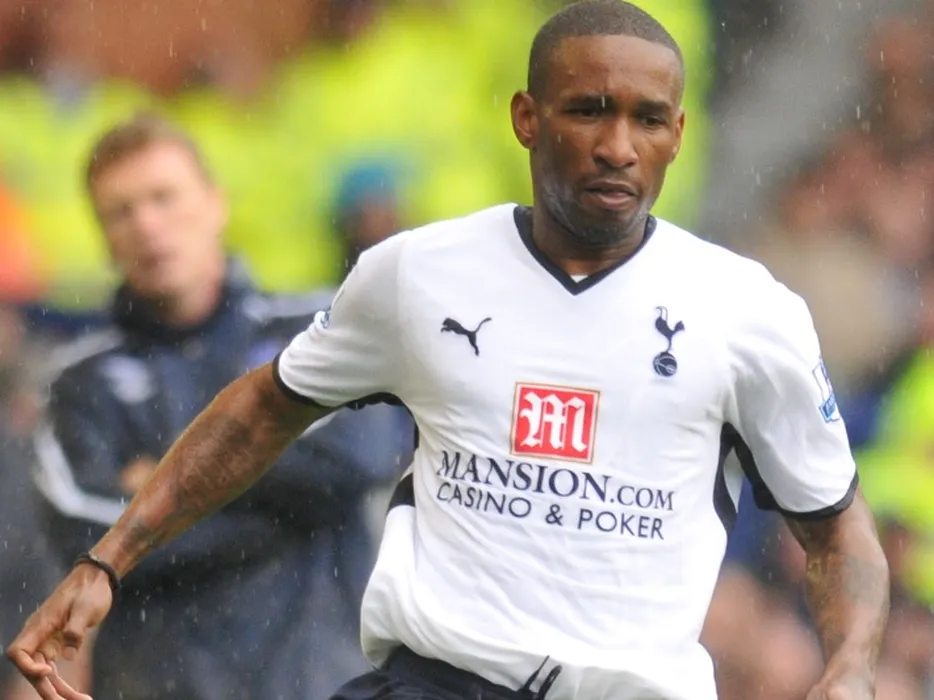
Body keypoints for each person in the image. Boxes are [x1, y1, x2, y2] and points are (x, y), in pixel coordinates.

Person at [8, 3, 890, 700]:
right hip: (430, 681)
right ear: (526, 118)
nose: (619, 147)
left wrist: (849, 670)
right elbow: (262, 409)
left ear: (680, 133)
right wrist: (107, 560)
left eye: (648, 119)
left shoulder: (748, 311)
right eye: (588, 110)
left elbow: (834, 525)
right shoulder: (416, 276)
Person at [13, 113, 413, 700]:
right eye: (121, 211)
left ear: (215, 204)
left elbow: (364, 456)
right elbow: (87, 536)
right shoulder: (79, 380)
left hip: (323, 683)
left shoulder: (317, 326)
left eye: (163, 198)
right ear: (103, 236)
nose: (147, 224)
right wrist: (286, 487)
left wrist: (159, 486)